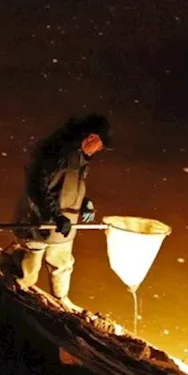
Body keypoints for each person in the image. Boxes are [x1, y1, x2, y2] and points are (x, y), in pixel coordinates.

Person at [12, 114, 111, 313]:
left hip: (64, 222)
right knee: (33, 257)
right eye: (100, 144)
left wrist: (84, 203)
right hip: (40, 216)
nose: (100, 150)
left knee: (62, 262)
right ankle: (18, 291)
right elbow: (38, 185)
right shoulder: (57, 151)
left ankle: (61, 300)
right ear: (91, 137)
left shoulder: (81, 158)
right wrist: (54, 214)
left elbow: (68, 187)